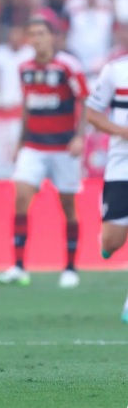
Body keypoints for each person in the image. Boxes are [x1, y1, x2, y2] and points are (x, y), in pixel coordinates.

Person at [0, 18, 89, 288]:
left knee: (68, 206)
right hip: (34, 146)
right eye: (32, 34)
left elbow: (84, 100)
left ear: (52, 37)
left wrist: (80, 137)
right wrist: (20, 141)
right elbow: (28, 104)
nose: (37, 39)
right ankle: (19, 266)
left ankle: (71, 267)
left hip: (64, 148)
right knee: (21, 197)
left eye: (41, 33)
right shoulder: (25, 69)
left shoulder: (68, 67)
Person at [84, 55, 128, 322]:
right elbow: (92, 114)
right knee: (113, 241)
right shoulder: (116, 71)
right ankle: (108, 240)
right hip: (121, 164)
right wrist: (123, 132)